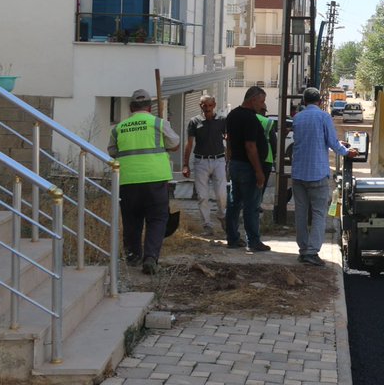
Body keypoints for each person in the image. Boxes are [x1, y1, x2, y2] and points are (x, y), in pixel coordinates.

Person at [108, 88, 180, 275]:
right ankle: (150, 258)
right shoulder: (158, 123)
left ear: (131, 107)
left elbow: (112, 151)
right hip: (155, 179)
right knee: (157, 219)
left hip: (128, 180)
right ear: (149, 107)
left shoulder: (119, 127)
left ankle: (133, 257)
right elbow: (175, 144)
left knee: (132, 220)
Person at [290, 87, 357, 266]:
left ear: (304, 102)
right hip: (317, 175)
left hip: (298, 174)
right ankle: (312, 252)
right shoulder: (324, 117)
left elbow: (311, 141)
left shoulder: (297, 118)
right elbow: (332, 142)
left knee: (301, 214)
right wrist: (346, 151)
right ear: (320, 102)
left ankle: (303, 250)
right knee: (319, 214)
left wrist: (335, 144)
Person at [225, 86, 272, 252]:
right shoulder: (250, 119)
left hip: (235, 164)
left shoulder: (232, 115)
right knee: (251, 205)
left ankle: (232, 238)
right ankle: (253, 241)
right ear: (252, 100)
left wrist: (228, 160)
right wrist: (259, 172)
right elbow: (250, 146)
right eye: (261, 101)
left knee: (234, 203)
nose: (262, 105)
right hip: (247, 167)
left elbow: (229, 141)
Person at [181, 94, 226, 237]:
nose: (207, 108)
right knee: (202, 195)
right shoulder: (194, 121)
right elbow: (189, 144)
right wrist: (185, 164)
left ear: (214, 105)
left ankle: (221, 215)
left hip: (219, 160)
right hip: (201, 161)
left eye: (209, 105)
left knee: (221, 193)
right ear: (200, 106)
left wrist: (229, 158)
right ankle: (207, 224)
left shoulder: (222, 121)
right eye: (204, 105)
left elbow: (228, 140)